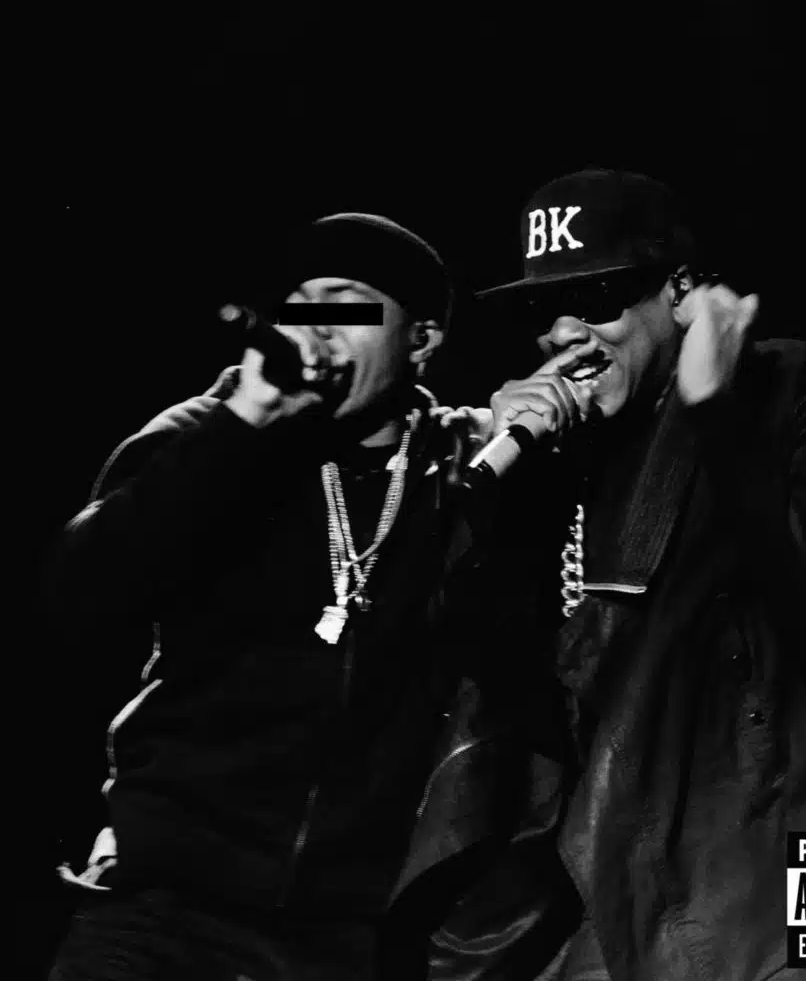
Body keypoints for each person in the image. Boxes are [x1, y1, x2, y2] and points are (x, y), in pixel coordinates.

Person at [409, 168, 806, 981]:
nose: (565, 331)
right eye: (543, 310)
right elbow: (489, 687)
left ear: (680, 290)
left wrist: (717, 418)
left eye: (597, 297)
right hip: (634, 894)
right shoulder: (554, 457)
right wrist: (502, 509)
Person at [45, 212, 482, 980]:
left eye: (347, 305)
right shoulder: (209, 434)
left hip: (347, 935)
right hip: (165, 908)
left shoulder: (459, 468)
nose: (317, 327)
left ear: (422, 339)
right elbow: (78, 595)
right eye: (299, 305)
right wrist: (242, 429)